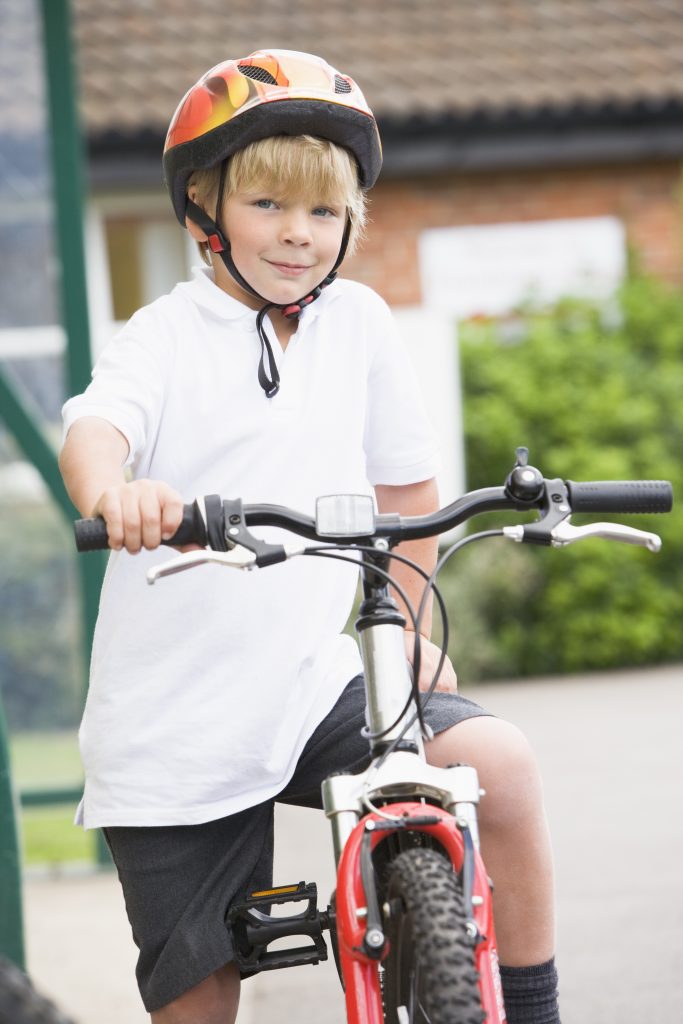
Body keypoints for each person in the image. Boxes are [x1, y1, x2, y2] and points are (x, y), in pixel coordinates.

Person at [59, 49, 560, 1024]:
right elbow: (96, 426)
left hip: (310, 681)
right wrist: (114, 492)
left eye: (323, 212)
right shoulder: (162, 337)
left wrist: (410, 631)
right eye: (267, 205)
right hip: (175, 721)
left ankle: (531, 1010)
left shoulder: (359, 325)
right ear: (204, 211)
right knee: (199, 994)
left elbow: (408, 491)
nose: (298, 234)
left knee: (499, 765)